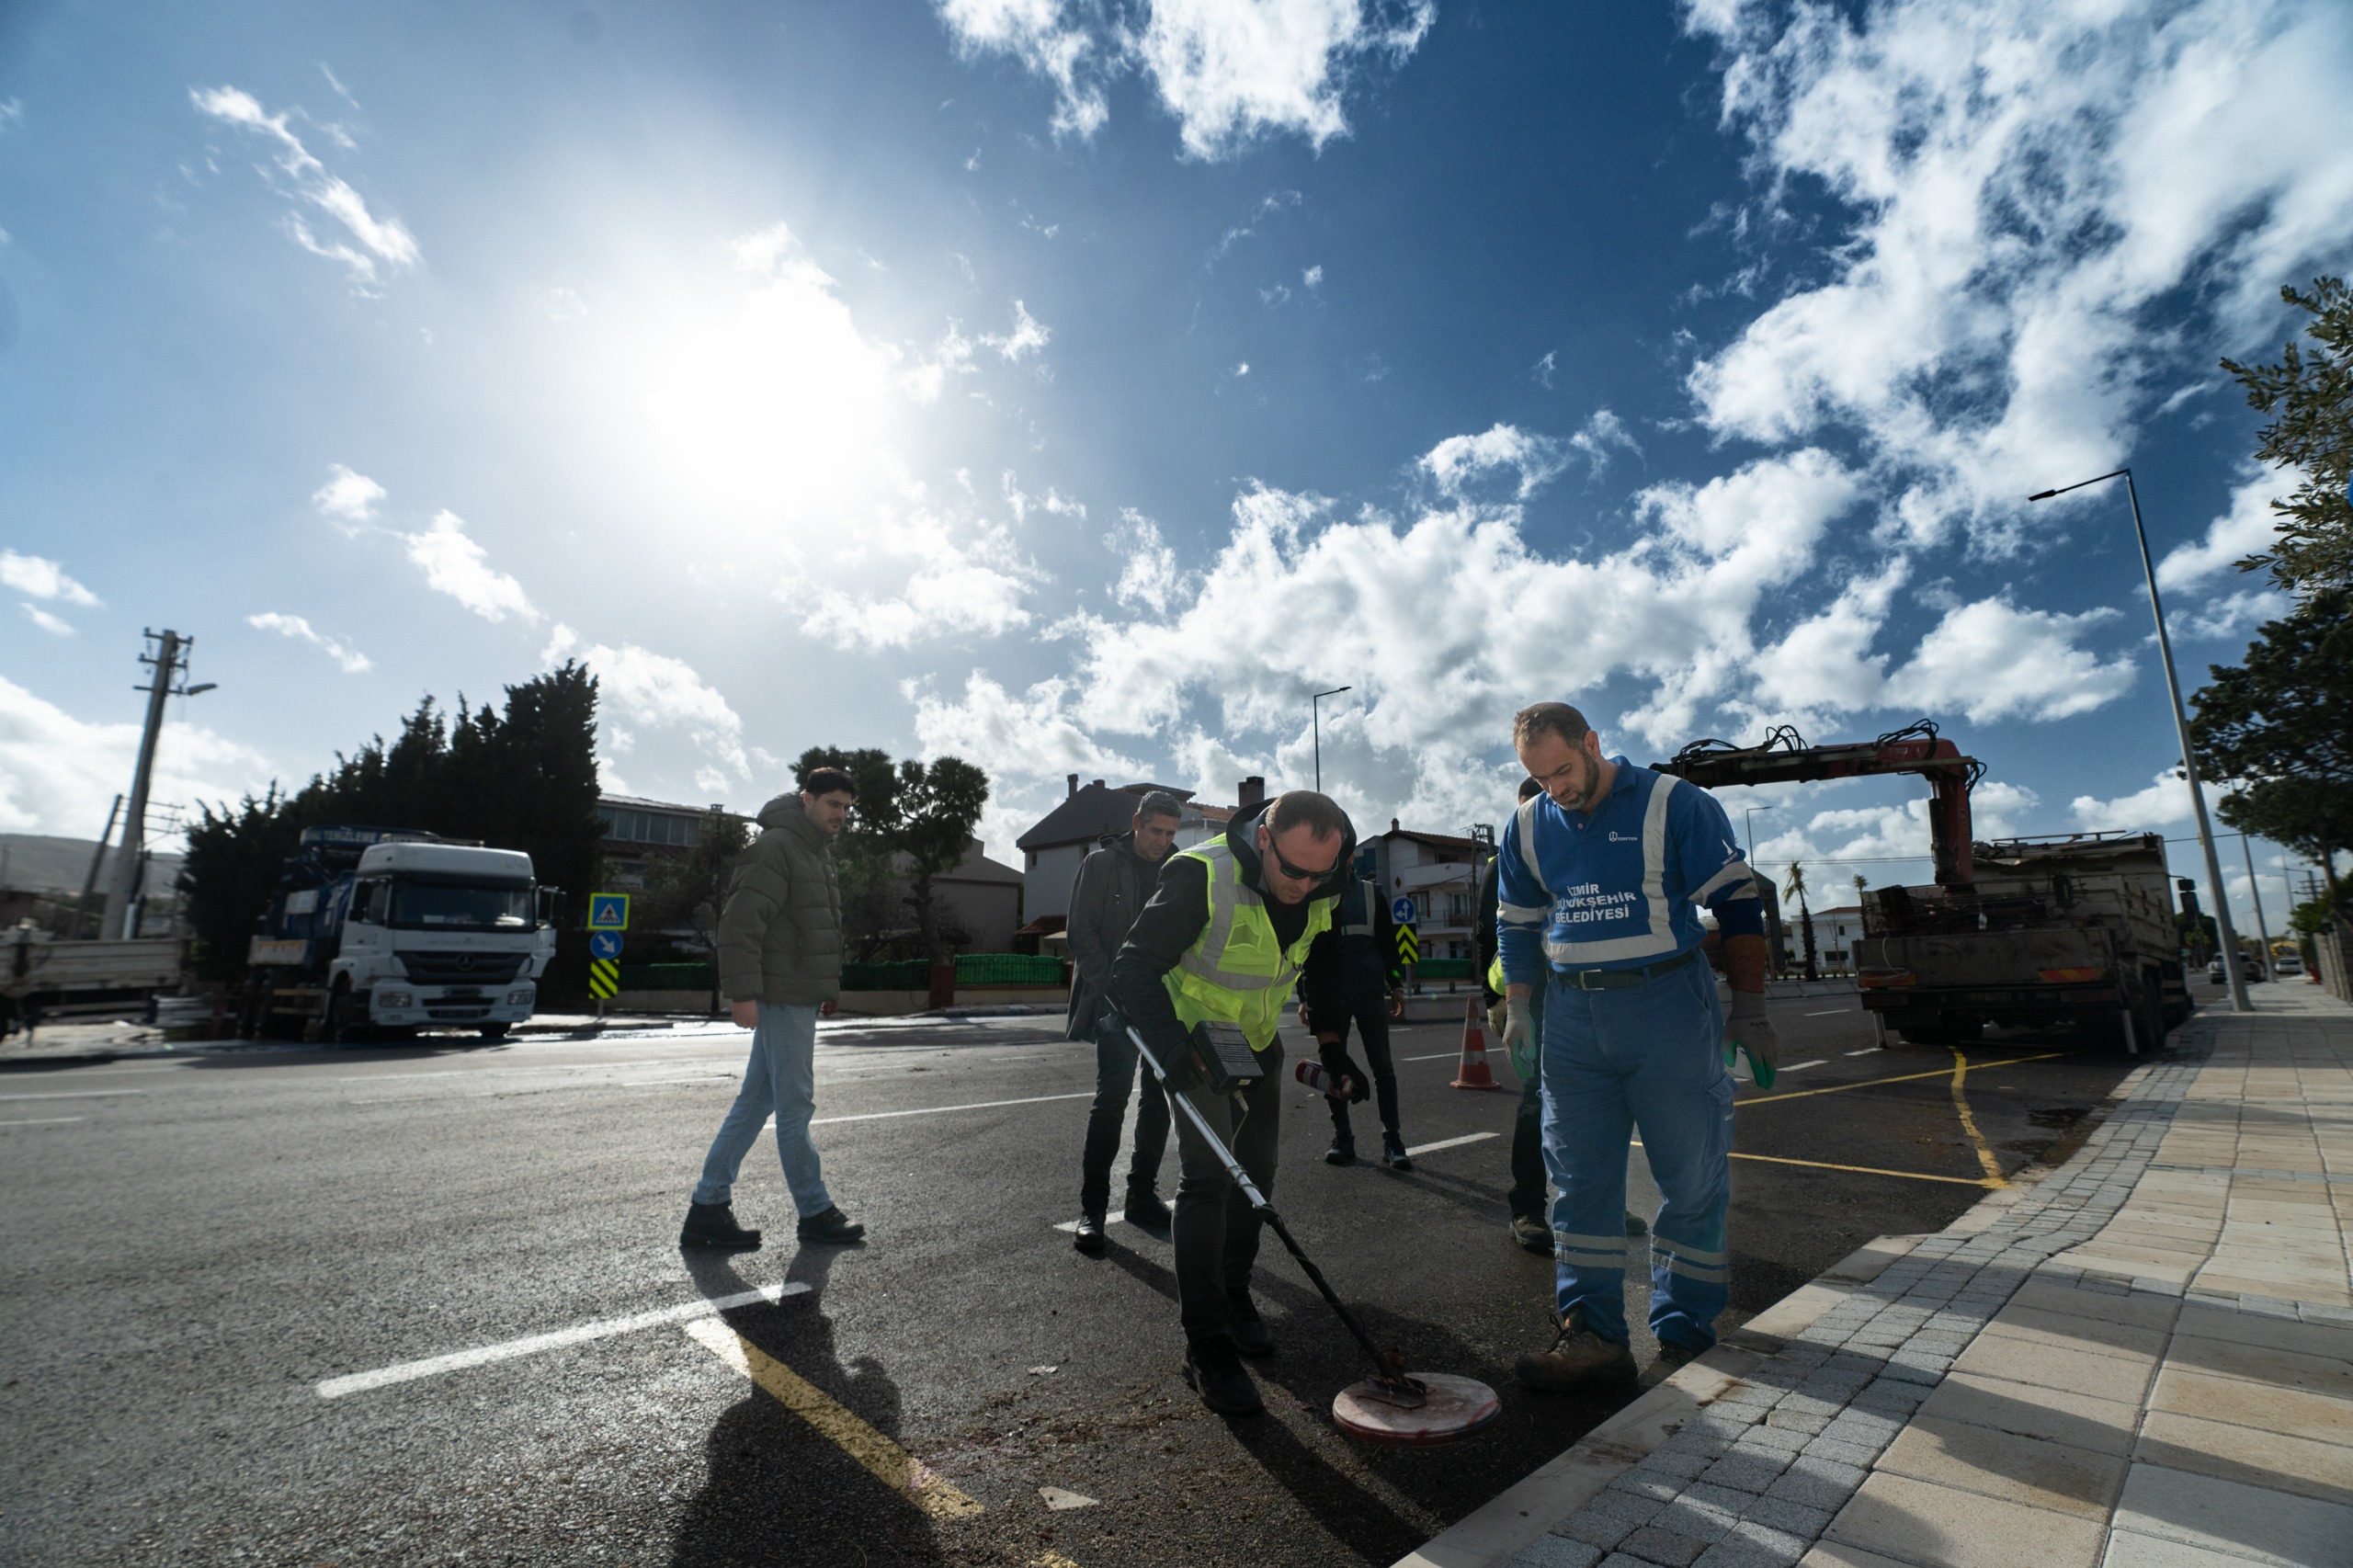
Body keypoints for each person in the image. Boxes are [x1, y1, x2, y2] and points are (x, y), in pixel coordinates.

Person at [1496, 702, 1778, 1390]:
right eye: (1540, 777)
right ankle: (1592, 1336)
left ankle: (1686, 1336)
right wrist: (1520, 1008)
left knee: (1690, 1176)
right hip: (1571, 1017)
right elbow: (1518, 921)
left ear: (1594, 743)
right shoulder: (1529, 823)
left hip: (1667, 1008)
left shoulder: (1675, 804)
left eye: (1563, 770)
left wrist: (1752, 1008)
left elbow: (1736, 902)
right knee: (1579, 1184)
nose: (1556, 789)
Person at [1110, 790, 1360, 1416]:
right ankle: (1207, 1344)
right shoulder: (1201, 874)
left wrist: (1332, 1047)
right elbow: (1132, 970)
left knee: (1260, 1175)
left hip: (1257, 1042)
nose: (1304, 884)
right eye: (1292, 869)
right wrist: (1171, 1047)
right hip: (1194, 1039)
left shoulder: (1329, 880)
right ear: (1265, 841)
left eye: (1318, 872)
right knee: (1209, 1180)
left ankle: (1235, 1290)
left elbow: (1325, 968)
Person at [680, 767, 867, 1251]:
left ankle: (707, 1209)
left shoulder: (815, 854)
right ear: (806, 799)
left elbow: (815, 930)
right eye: (833, 804)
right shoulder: (776, 847)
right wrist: (742, 993)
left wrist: (827, 985)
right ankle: (815, 1210)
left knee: (755, 1103)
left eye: (847, 807)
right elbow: (741, 923)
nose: (841, 815)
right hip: (780, 996)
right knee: (795, 1105)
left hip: (799, 992)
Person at [1478, 778, 1652, 1256]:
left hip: (1584, 993)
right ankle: (1528, 1208)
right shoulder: (1508, 857)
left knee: (1604, 1103)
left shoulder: (1582, 845)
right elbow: (1485, 936)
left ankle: (1604, 1206)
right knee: (1537, 1100)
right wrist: (1498, 1004)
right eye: (1529, 805)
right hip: (1532, 998)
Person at [1068, 790, 1186, 1254]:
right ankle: (1092, 1210)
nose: (1162, 840)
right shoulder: (1100, 865)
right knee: (1112, 1099)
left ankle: (1141, 1196)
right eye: (1156, 830)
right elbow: (1082, 933)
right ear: (1137, 823)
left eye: (1170, 833)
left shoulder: (1181, 870)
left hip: (1161, 1003)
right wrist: (1113, 988)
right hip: (1114, 1001)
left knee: (1159, 1100)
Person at [1303, 873, 1410, 1169]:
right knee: (1334, 1068)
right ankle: (1343, 1138)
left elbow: (1390, 944)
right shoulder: (1317, 893)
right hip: (1332, 999)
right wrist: (1304, 997)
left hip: (1370, 994)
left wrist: (1396, 984)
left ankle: (1393, 1141)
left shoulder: (1370, 894)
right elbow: (1307, 949)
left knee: (1383, 1069)